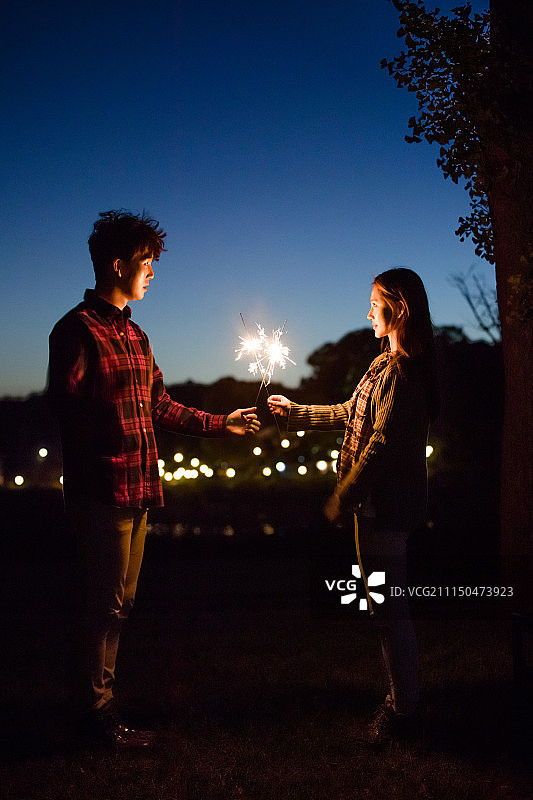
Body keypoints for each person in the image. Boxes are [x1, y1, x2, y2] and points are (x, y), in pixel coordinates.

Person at [47, 210, 260, 748]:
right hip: (104, 493)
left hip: (140, 489)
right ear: (118, 265)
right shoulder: (76, 330)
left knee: (121, 603)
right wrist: (99, 462)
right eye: (146, 263)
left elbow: (158, 404)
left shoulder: (136, 335)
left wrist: (219, 424)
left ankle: (98, 708)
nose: (151, 273)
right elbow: (67, 411)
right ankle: (92, 716)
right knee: (102, 604)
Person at [268, 267, 439, 744]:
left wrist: (343, 497)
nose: (367, 311)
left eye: (374, 301)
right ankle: (404, 701)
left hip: (384, 509)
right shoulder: (384, 365)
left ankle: (404, 709)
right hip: (374, 508)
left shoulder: (403, 371)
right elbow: (351, 413)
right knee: (383, 607)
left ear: (398, 307)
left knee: (388, 609)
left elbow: (380, 444)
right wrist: (296, 414)